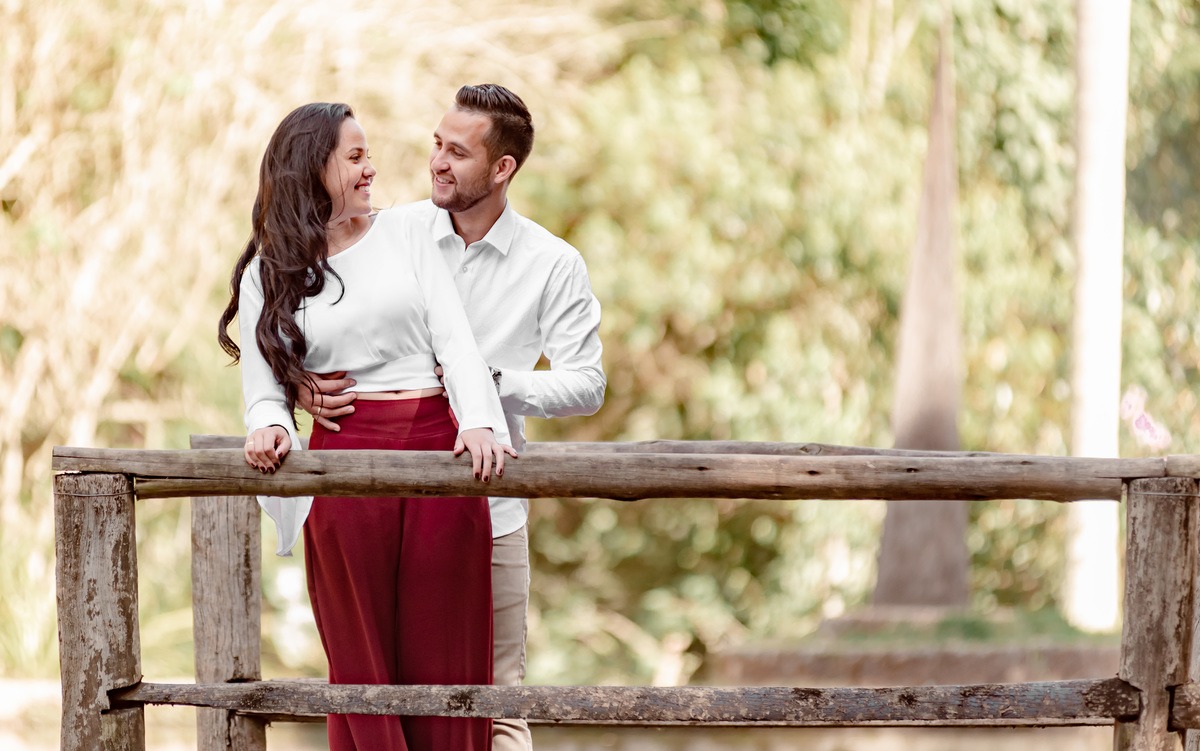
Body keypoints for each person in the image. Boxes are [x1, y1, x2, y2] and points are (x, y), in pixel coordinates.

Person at [300, 84, 606, 751]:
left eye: (458, 152)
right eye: (436, 144)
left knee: (494, 703)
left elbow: (587, 383)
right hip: (380, 511)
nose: (436, 161)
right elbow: (304, 307)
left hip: (490, 509)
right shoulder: (390, 231)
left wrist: (492, 384)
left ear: (502, 170)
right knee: (380, 697)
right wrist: (297, 385)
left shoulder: (552, 263)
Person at [218, 102, 516, 751]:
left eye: (367, 154)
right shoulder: (268, 273)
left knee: (447, 665)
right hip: (343, 471)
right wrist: (271, 423)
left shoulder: (409, 229)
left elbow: (455, 338)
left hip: (441, 453)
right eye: (354, 157)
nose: (371, 168)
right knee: (363, 669)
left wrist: (480, 424)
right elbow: (263, 392)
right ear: (312, 169)